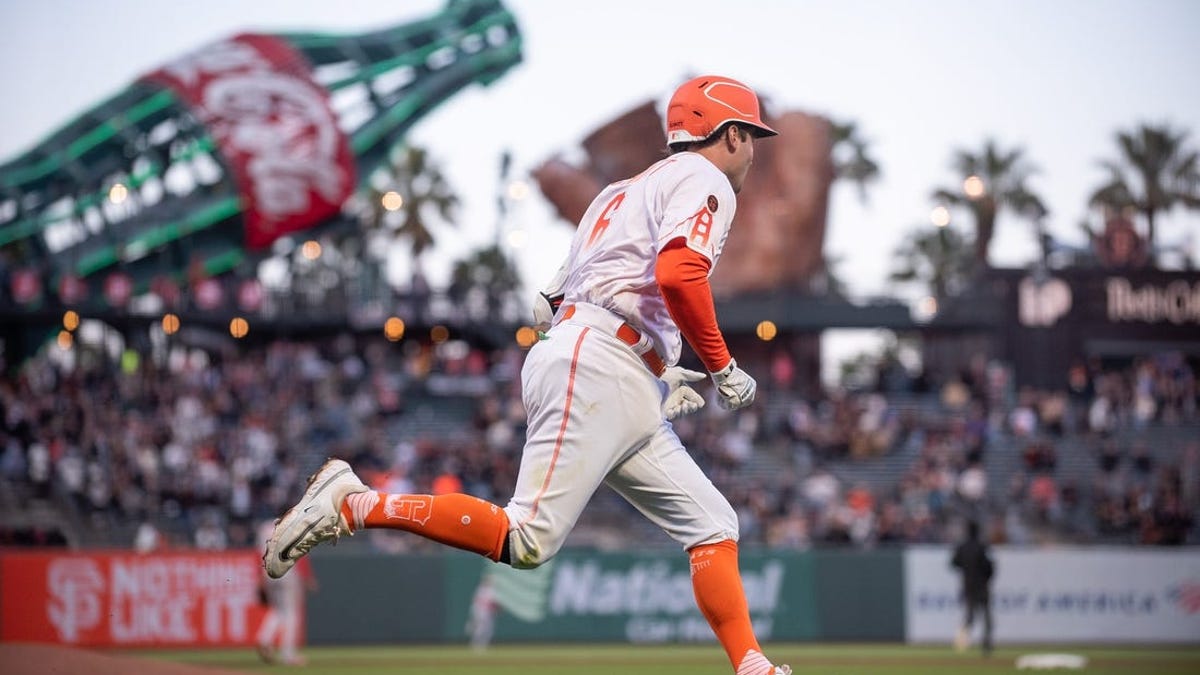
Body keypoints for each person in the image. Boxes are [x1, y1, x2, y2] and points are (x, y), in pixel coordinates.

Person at [263, 74, 790, 675]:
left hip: (601, 358)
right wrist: (719, 365)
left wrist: (657, 370)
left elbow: (549, 302)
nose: (753, 150)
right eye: (751, 136)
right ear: (729, 133)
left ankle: (750, 664)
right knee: (526, 538)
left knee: (713, 522)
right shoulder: (704, 177)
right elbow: (677, 275)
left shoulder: (618, 193)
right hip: (599, 361)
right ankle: (354, 505)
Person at [256, 519, 314, 666]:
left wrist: (261, 578)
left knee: (278, 611)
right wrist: (307, 577)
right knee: (292, 615)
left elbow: (259, 554)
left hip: (268, 574)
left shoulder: (264, 528)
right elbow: (300, 551)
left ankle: (264, 639)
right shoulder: (294, 524)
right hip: (287, 573)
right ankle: (287, 655)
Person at [951, 520, 995, 656]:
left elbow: (953, 563)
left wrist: (966, 569)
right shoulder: (982, 547)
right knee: (986, 617)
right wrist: (986, 577)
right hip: (981, 586)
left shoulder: (962, 547)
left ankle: (960, 640)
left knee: (969, 616)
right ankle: (986, 644)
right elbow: (990, 566)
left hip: (968, 585)